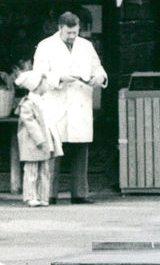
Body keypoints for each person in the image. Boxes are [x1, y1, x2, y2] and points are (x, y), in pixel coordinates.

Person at [33, 11, 107, 204]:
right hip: (56, 101)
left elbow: (98, 68)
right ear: (60, 28)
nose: (72, 36)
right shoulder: (45, 46)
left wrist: (99, 77)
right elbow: (38, 75)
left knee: (80, 148)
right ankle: (48, 194)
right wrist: (59, 78)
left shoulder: (87, 46)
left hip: (80, 101)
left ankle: (79, 194)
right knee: (54, 149)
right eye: (68, 33)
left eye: (75, 32)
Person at [14, 70, 63, 207]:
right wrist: (40, 139)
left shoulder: (44, 102)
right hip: (34, 142)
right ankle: (30, 196)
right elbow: (30, 123)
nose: (47, 84)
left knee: (45, 170)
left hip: (46, 141)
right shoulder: (28, 103)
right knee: (32, 170)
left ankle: (43, 196)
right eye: (44, 82)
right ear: (36, 85)